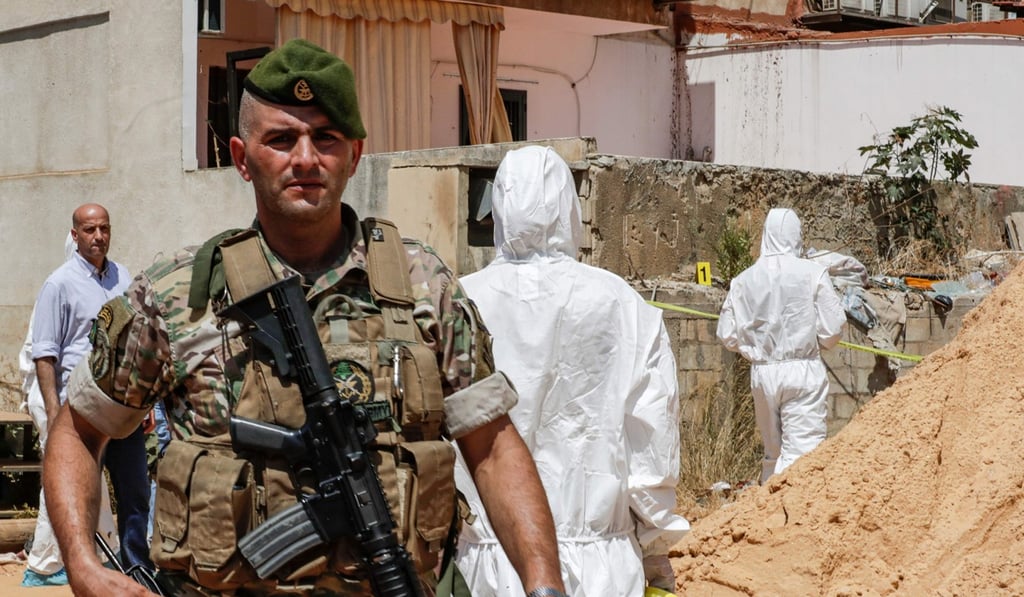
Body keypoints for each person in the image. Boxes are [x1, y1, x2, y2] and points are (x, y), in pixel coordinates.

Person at [44, 38, 566, 597]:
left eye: (326, 138)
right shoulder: (179, 296)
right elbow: (79, 430)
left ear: (355, 154)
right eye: (281, 139)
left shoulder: (423, 285)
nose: (306, 158)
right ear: (242, 158)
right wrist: (81, 564)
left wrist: (544, 584)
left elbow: (492, 446)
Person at [454, 146, 690, 596]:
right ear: (569, 210)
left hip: (486, 563)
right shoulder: (622, 304)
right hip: (601, 566)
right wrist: (655, 543)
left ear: (499, 206)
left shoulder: (459, 301)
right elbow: (651, 445)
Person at [22, 210, 134, 587]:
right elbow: (44, 355)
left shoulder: (123, 277)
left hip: (123, 405)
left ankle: (128, 566)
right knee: (74, 489)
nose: (98, 236)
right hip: (77, 410)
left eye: (104, 228)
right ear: (75, 235)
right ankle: (59, 568)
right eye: (89, 230)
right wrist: (55, 414)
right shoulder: (58, 284)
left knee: (129, 492)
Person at [716, 207, 847, 483]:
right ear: (796, 235)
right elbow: (833, 328)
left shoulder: (743, 280)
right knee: (804, 454)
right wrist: (814, 342)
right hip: (803, 371)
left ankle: (768, 503)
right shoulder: (813, 273)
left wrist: (756, 347)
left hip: (762, 374)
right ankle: (798, 506)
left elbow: (727, 334)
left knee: (772, 453)